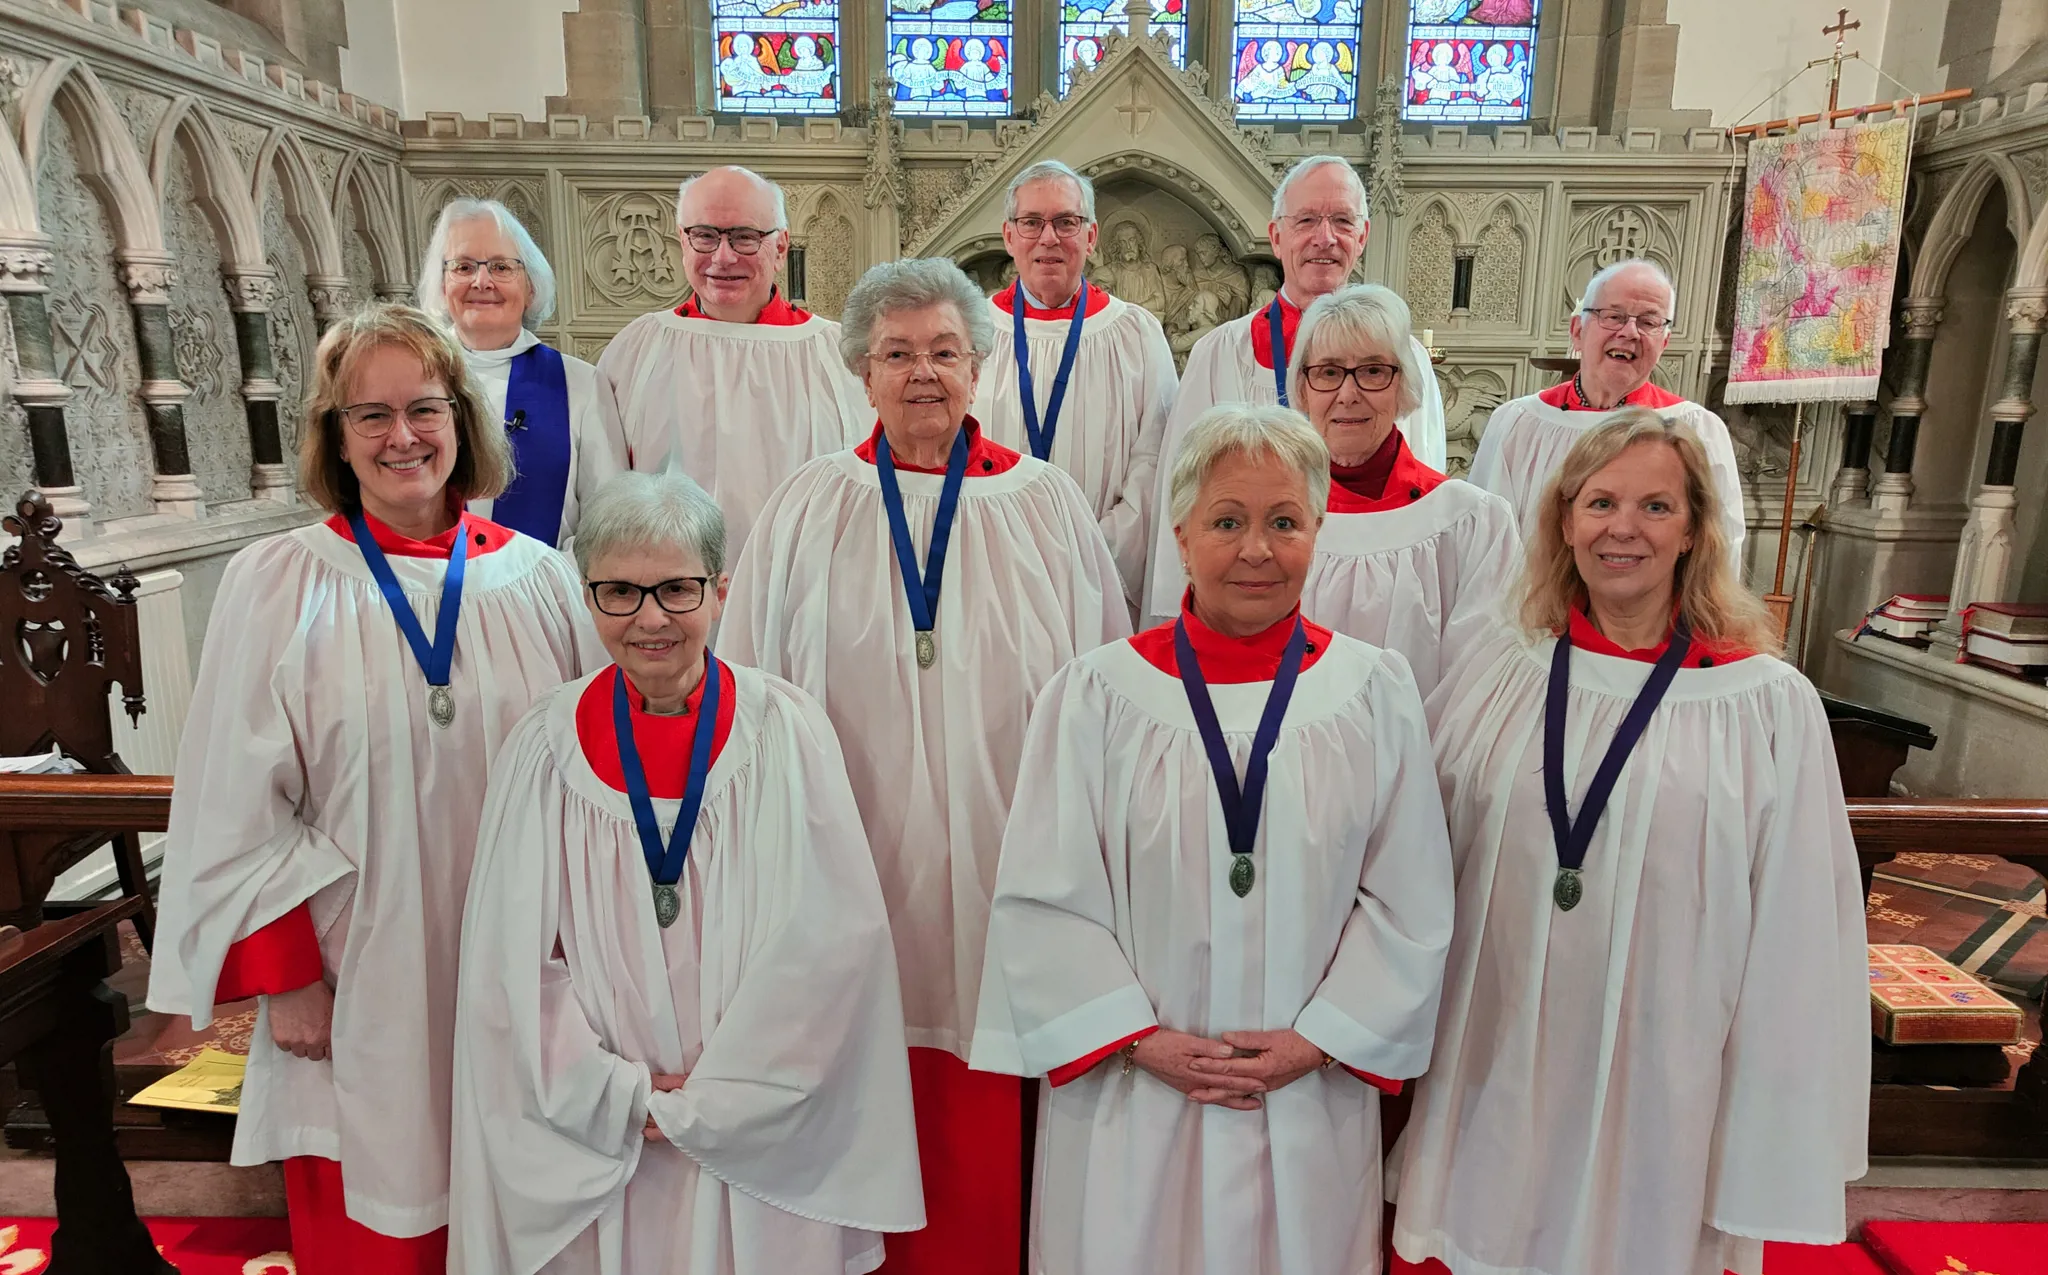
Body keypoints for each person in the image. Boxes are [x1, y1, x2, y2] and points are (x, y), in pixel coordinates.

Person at [145, 305, 601, 1275]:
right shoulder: (279, 582)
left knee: (528, 1206)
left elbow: (590, 779)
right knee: (381, 1222)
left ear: (461, 423)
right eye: (371, 415)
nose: (403, 437)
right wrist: (287, 974)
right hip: (359, 963)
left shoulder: (542, 581)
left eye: (425, 409)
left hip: (522, 959)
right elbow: (233, 793)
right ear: (334, 436)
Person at [973, 404, 1455, 1275]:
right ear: (1183, 533)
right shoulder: (1095, 695)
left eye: (1284, 522)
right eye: (1228, 522)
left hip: (1305, 1093)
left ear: (1320, 529)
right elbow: (1044, 897)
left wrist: (1315, 1041)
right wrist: (1137, 1037)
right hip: (1132, 1094)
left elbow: (1408, 900)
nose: (1257, 549)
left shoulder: (1373, 692)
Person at [721, 257, 1130, 1275]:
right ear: (858, 369)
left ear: (979, 366)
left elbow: (1107, 700)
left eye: (944, 351)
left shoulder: (1045, 505)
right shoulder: (804, 507)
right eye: (896, 353)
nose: (920, 374)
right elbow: (745, 697)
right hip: (845, 861)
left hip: (1008, 863)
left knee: (990, 1126)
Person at [1389, 409, 1867, 1275]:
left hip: (1667, 1044)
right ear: (1564, 521)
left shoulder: (1763, 704)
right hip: (1501, 1026)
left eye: (1655, 506)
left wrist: (1768, 1096)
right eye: (1601, 502)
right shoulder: (1504, 670)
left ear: (1693, 529)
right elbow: (1416, 847)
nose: (1623, 528)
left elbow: (1800, 925)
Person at [448, 471, 924, 1275]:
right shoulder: (544, 744)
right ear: (587, 596)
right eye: (620, 592)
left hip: (758, 1111)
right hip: (602, 1118)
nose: (651, 618)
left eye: (676, 587)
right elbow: (508, 958)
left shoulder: (788, 728)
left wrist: (727, 1092)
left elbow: (835, 940)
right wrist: (613, 1093)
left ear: (721, 591)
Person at [1144, 155, 1448, 623]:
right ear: (1276, 235)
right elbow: (1181, 495)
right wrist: (1173, 620)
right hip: (1244, 594)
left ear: (1362, 237)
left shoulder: (1400, 358)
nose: (1324, 238)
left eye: (1342, 221)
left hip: (1368, 603)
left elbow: (1420, 498)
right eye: (1306, 220)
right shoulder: (1220, 353)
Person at [599, 166, 866, 564]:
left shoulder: (834, 353)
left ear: (780, 248)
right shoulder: (639, 349)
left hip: (800, 588)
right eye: (705, 236)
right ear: (682, 242)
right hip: (672, 595)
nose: (722, 258)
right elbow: (607, 490)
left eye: (744, 237)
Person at [1289, 285, 1520, 696]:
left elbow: (1483, 678)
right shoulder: (1269, 521)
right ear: (1303, 389)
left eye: (1373, 371)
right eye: (1328, 371)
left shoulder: (1469, 522)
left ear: (1404, 387)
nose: (1347, 394)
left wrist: (1405, 748)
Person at [972, 160, 1176, 608]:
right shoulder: (969, 333)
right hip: (989, 571)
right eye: (1032, 222)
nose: (1049, 237)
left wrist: (1091, 554)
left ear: (1091, 236)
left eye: (1067, 222)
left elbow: (1155, 460)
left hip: (1099, 577)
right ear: (1009, 236)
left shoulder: (1137, 334)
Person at [1468, 258, 1747, 565]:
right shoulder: (1518, 423)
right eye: (1613, 316)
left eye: (1649, 322)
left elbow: (1719, 553)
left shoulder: (1698, 430)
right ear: (1578, 331)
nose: (1629, 332)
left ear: (1664, 342)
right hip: (1529, 610)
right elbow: (1484, 544)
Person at [417, 198, 627, 549]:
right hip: (427, 591)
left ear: (530, 287)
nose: (482, 281)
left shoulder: (579, 384)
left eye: (501, 268)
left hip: (548, 593)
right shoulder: (413, 380)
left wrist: (555, 583)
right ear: (441, 285)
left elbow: (611, 515)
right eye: (464, 267)